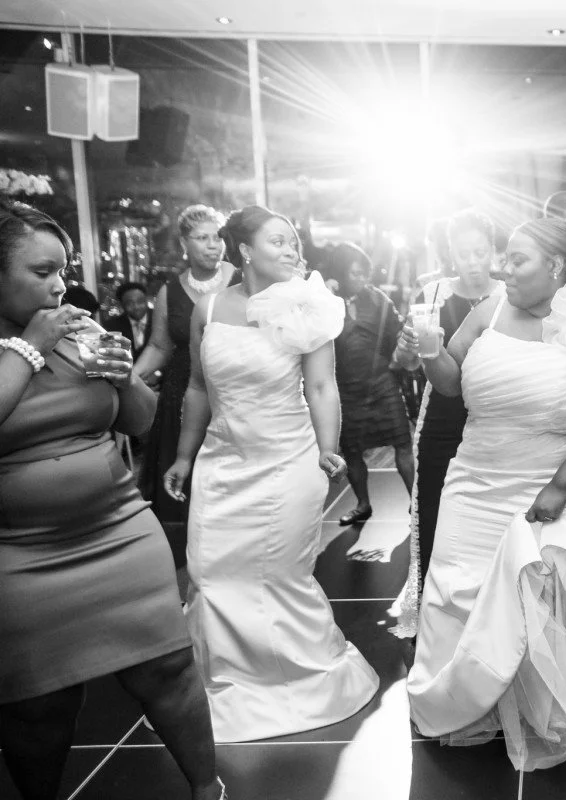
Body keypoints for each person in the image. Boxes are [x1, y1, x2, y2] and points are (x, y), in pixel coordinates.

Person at [0, 201, 226, 800]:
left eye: (63, 270)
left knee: (169, 670)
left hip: (119, 531)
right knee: (38, 706)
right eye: (42, 272)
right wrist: (28, 347)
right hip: (17, 554)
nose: (60, 286)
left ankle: (209, 790)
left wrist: (124, 377)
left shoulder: (79, 332)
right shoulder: (36, 337)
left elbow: (140, 422)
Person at [402, 218, 566, 771]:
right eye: (505, 257)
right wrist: (430, 351)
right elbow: (451, 382)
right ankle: (460, 704)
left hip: (548, 484)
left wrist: (559, 488)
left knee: (534, 602)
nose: (502, 267)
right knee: (456, 589)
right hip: (473, 481)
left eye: (517, 259)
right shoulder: (488, 309)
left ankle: (536, 704)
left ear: (555, 266)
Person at [163, 205, 378, 742]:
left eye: (293, 241)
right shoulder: (209, 308)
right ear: (245, 250)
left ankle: (299, 679)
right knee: (209, 573)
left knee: (278, 575)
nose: (291, 250)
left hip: (288, 461)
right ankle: (227, 681)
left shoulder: (307, 305)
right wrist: (184, 456)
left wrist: (328, 450)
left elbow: (322, 388)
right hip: (222, 464)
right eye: (278, 241)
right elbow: (197, 388)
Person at [387, 209, 505, 638]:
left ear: (493, 251)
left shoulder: (508, 296)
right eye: (463, 253)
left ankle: (493, 609)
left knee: (490, 517)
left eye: (480, 252)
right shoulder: (433, 293)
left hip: (496, 418)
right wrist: (407, 347)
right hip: (441, 416)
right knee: (433, 513)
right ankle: (433, 612)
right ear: (450, 254)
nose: (473, 261)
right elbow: (403, 363)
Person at [134, 205, 239, 568]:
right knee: (188, 483)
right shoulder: (169, 291)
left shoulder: (242, 280)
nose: (213, 245)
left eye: (217, 237)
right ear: (184, 244)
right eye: (202, 238)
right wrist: (129, 377)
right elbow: (159, 346)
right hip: (183, 394)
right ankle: (195, 564)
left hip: (232, 395)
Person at [327, 243, 415, 529]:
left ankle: (416, 503)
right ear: (341, 272)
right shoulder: (326, 300)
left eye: (365, 273)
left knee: (403, 444)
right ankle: (362, 504)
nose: (362, 279)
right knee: (352, 452)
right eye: (355, 273)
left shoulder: (378, 298)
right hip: (345, 390)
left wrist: (401, 351)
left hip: (381, 384)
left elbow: (397, 331)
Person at [105, 281, 152, 362]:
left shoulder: (160, 321)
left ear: (146, 300)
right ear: (122, 305)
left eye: (140, 301)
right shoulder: (112, 326)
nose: (136, 307)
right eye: (130, 303)